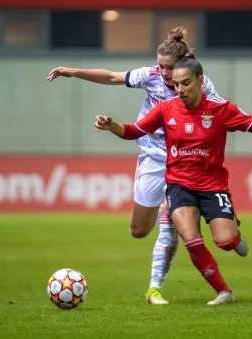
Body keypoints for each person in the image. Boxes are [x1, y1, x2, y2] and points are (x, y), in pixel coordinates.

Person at [93, 55, 252, 304]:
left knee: (225, 241)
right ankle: (224, 292)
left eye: (186, 83)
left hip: (212, 185)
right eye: (176, 84)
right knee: (191, 239)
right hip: (179, 185)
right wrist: (113, 126)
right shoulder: (165, 109)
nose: (180, 89)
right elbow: (134, 131)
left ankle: (235, 235)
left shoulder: (221, 109)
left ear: (200, 80)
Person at [47, 27, 229, 304]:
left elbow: (217, 116)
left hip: (183, 160)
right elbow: (111, 76)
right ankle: (166, 210)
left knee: (170, 222)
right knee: (139, 230)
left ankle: (154, 289)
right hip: (152, 158)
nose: (164, 73)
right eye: (161, 66)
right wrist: (73, 71)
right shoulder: (150, 76)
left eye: (170, 68)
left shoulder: (202, 87)